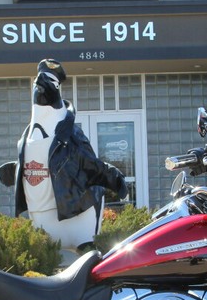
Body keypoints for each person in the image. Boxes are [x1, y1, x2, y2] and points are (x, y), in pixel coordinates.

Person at [12, 59, 128, 250]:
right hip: (42, 218)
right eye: (40, 81)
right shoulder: (28, 135)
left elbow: (90, 164)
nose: (42, 84)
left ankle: (87, 253)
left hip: (77, 216)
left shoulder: (70, 135)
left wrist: (114, 178)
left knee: (86, 253)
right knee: (44, 253)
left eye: (52, 82)